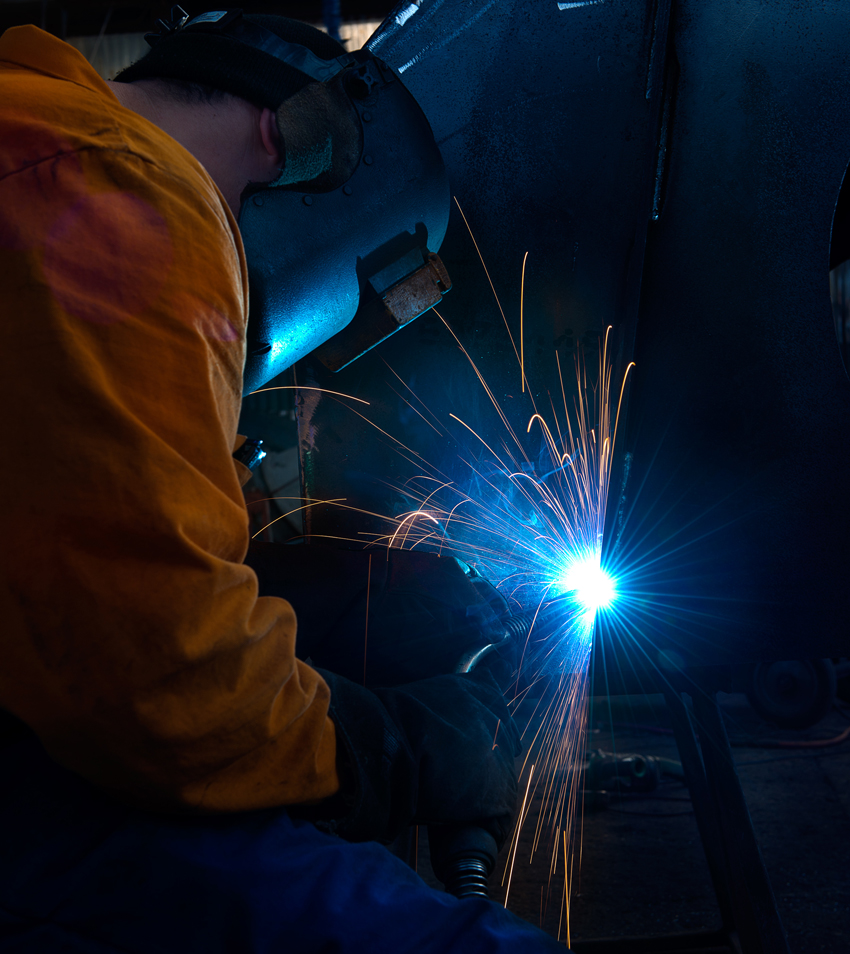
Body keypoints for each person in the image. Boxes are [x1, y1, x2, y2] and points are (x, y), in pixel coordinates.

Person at [0, 9, 566, 952]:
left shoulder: (31, 130)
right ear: (285, 139)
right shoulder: (119, 186)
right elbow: (160, 691)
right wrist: (385, 746)